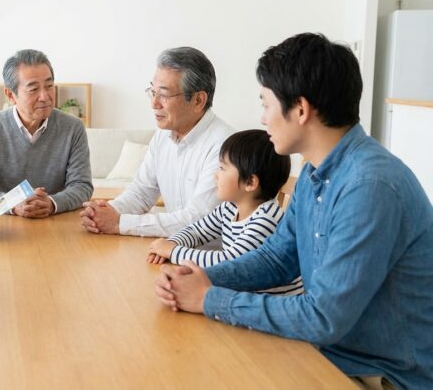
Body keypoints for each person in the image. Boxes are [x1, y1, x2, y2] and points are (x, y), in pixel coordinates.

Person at [155, 33, 433, 389]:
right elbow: (276, 259)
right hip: (331, 355)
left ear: (300, 110)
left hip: (382, 376)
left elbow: (323, 318)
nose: (262, 118)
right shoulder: (315, 174)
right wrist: (202, 279)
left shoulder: (370, 186)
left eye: (266, 104)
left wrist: (209, 299)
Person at [80, 47, 234, 237]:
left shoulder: (225, 146)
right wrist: (106, 212)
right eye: (153, 92)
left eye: (164, 95)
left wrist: (119, 223)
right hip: (172, 247)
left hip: (209, 252)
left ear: (198, 100)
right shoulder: (163, 136)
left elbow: (199, 219)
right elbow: (141, 193)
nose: (154, 103)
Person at [147, 130, 302, 295]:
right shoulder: (229, 207)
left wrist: (173, 252)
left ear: (250, 182)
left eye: (222, 168)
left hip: (271, 302)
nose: (216, 175)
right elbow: (197, 231)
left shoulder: (266, 220)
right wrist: (172, 243)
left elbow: (228, 263)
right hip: (244, 294)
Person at [0, 49, 93, 218]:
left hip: (56, 220)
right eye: (33, 89)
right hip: (6, 221)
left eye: (49, 86)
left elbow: (82, 186)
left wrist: (52, 203)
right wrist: (13, 204)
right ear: (11, 95)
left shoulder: (73, 128)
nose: (44, 96)